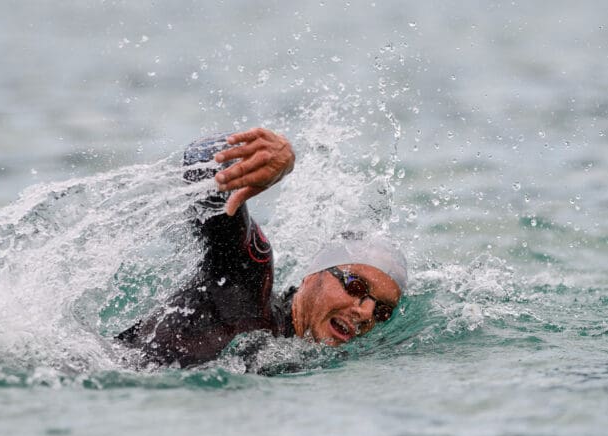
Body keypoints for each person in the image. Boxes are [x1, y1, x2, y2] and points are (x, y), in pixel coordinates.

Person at [116, 128, 407, 368]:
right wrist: (255, 155)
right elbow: (200, 161)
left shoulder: (294, 353)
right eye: (356, 286)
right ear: (313, 274)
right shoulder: (246, 285)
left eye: (381, 311)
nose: (366, 313)